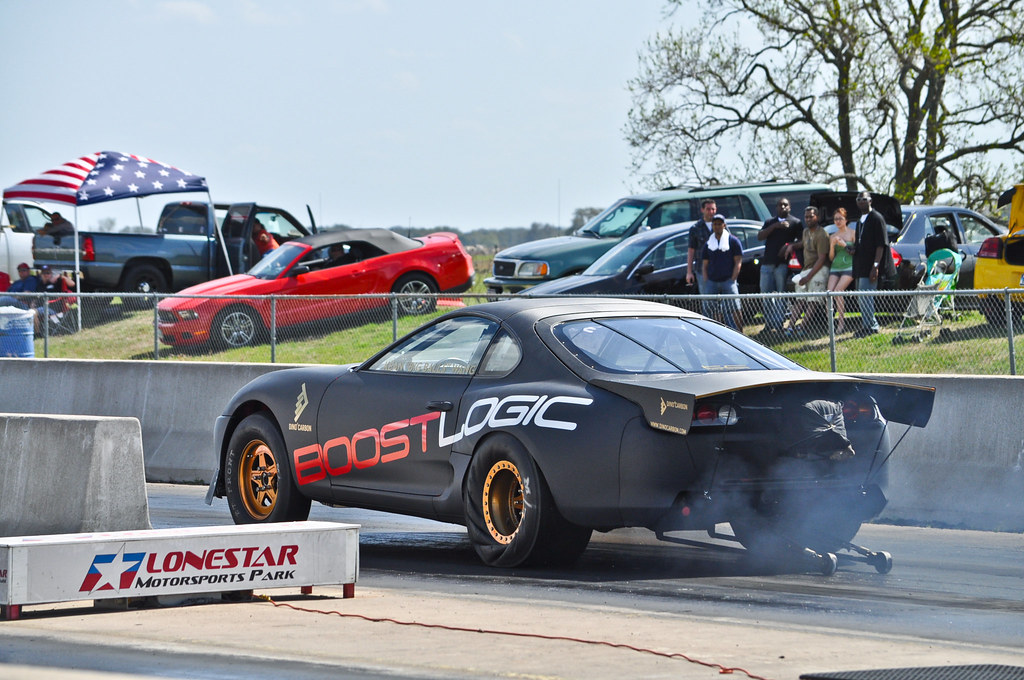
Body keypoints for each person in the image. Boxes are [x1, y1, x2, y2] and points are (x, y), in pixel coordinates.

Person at [757, 198, 803, 333]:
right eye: (780, 205)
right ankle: (768, 324)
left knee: (781, 296)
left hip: (782, 265)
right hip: (767, 264)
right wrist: (775, 226)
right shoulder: (769, 222)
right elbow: (760, 236)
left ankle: (778, 324)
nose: (783, 207)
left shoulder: (795, 222)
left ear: (790, 207)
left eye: (785, 205)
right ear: (776, 208)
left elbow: (801, 241)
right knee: (765, 295)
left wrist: (789, 245)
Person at [783, 206, 830, 335]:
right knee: (800, 298)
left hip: (820, 269)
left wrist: (808, 277)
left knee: (813, 299)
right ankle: (790, 326)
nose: (808, 219)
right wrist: (791, 246)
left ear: (817, 217)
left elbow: (822, 258)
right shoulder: (805, 232)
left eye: (811, 216)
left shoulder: (822, 234)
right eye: (806, 217)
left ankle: (802, 326)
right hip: (806, 269)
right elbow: (803, 244)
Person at [852, 191, 888, 337]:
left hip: (871, 266)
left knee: (867, 297)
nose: (861, 201)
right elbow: (861, 242)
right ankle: (866, 325)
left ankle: (872, 326)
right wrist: (854, 249)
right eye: (859, 199)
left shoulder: (876, 218)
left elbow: (881, 245)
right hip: (860, 265)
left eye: (864, 199)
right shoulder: (861, 220)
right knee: (862, 298)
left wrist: (875, 266)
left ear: (870, 201)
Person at [701, 214, 744, 331]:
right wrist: (706, 280)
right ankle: (716, 332)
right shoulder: (708, 243)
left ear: (724, 225)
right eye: (715, 224)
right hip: (712, 281)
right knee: (712, 308)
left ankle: (740, 332)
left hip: (728, 281)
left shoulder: (733, 241)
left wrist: (733, 278)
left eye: (719, 224)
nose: (717, 226)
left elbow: (738, 261)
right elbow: (704, 264)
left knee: (735, 307)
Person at [827, 208, 856, 334]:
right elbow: (831, 257)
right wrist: (832, 246)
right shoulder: (833, 236)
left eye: (840, 218)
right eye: (835, 219)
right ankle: (829, 323)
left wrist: (844, 244)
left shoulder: (852, 233)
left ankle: (841, 322)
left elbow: (856, 252)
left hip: (849, 266)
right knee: (829, 293)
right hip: (835, 267)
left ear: (846, 220)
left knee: (838, 291)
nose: (838, 221)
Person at [686, 199, 717, 317]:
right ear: (702, 210)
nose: (711, 212)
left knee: (721, 301)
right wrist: (689, 272)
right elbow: (691, 250)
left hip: (719, 269)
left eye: (713, 209)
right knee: (707, 301)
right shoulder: (695, 228)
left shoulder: (720, 224)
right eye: (708, 209)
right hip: (701, 269)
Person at [32, 265, 76, 332]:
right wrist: (33, 303)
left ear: (51, 274)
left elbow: (72, 284)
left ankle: (37, 334)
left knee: (33, 312)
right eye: (44, 273)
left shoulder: (56, 283)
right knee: (29, 312)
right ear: (41, 274)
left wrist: (61, 276)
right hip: (40, 308)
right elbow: (36, 298)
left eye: (48, 273)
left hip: (54, 309)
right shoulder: (39, 285)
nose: (46, 275)